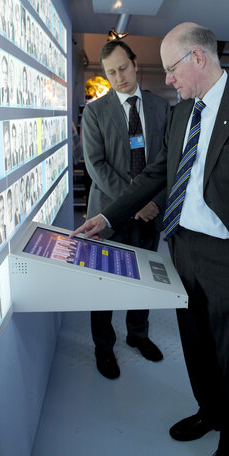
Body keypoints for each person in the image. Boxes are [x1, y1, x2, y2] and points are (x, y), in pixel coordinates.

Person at [71, 23, 229, 455]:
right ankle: (210, 411)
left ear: (199, 59)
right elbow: (155, 174)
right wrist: (106, 216)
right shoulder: (182, 112)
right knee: (196, 345)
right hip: (183, 250)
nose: (167, 79)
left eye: (172, 69)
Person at [81, 39, 171, 380]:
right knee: (103, 283)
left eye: (122, 68)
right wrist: (134, 203)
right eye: (110, 72)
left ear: (135, 64)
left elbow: (168, 162)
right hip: (107, 214)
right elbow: (97, 167)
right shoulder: (95, 112)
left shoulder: (161, 108)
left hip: (151, 212)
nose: (118, 77)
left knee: (143, 279)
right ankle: (103, 346)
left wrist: (153, 203)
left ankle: (138, 335)